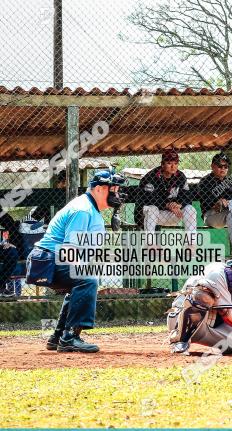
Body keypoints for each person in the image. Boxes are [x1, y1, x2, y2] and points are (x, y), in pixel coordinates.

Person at [28, 170, 126, 352]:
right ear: (98, 189)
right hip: (46, 260)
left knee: (81, 281)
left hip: (50, 259)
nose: (117, 195)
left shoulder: (91, 209)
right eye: (113, 190)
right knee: (87, 279)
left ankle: (58, 336)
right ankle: (70, 337)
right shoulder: (83, 210)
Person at [139, 148, 197, 236]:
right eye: (169, 163)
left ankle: (191, 244)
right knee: (152, 209)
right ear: (162, 164)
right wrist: (167, 205)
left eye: (176, 163)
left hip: (173, 214)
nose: (173, 166)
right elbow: (148, 199)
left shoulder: (180, 176)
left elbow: (187, 197)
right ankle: (150, 244)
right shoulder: (151, 177)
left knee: (190, 209)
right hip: (150, 216)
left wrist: (179, 205)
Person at [193, 152, 232, 230]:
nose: (223, 168)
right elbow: (208, 203)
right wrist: (219, 203)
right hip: (212, 215)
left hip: (230, 211)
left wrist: (227, 202)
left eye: (225, 166)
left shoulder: (230, 181)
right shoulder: (205, 181)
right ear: (212, 166)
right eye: (220, 166)